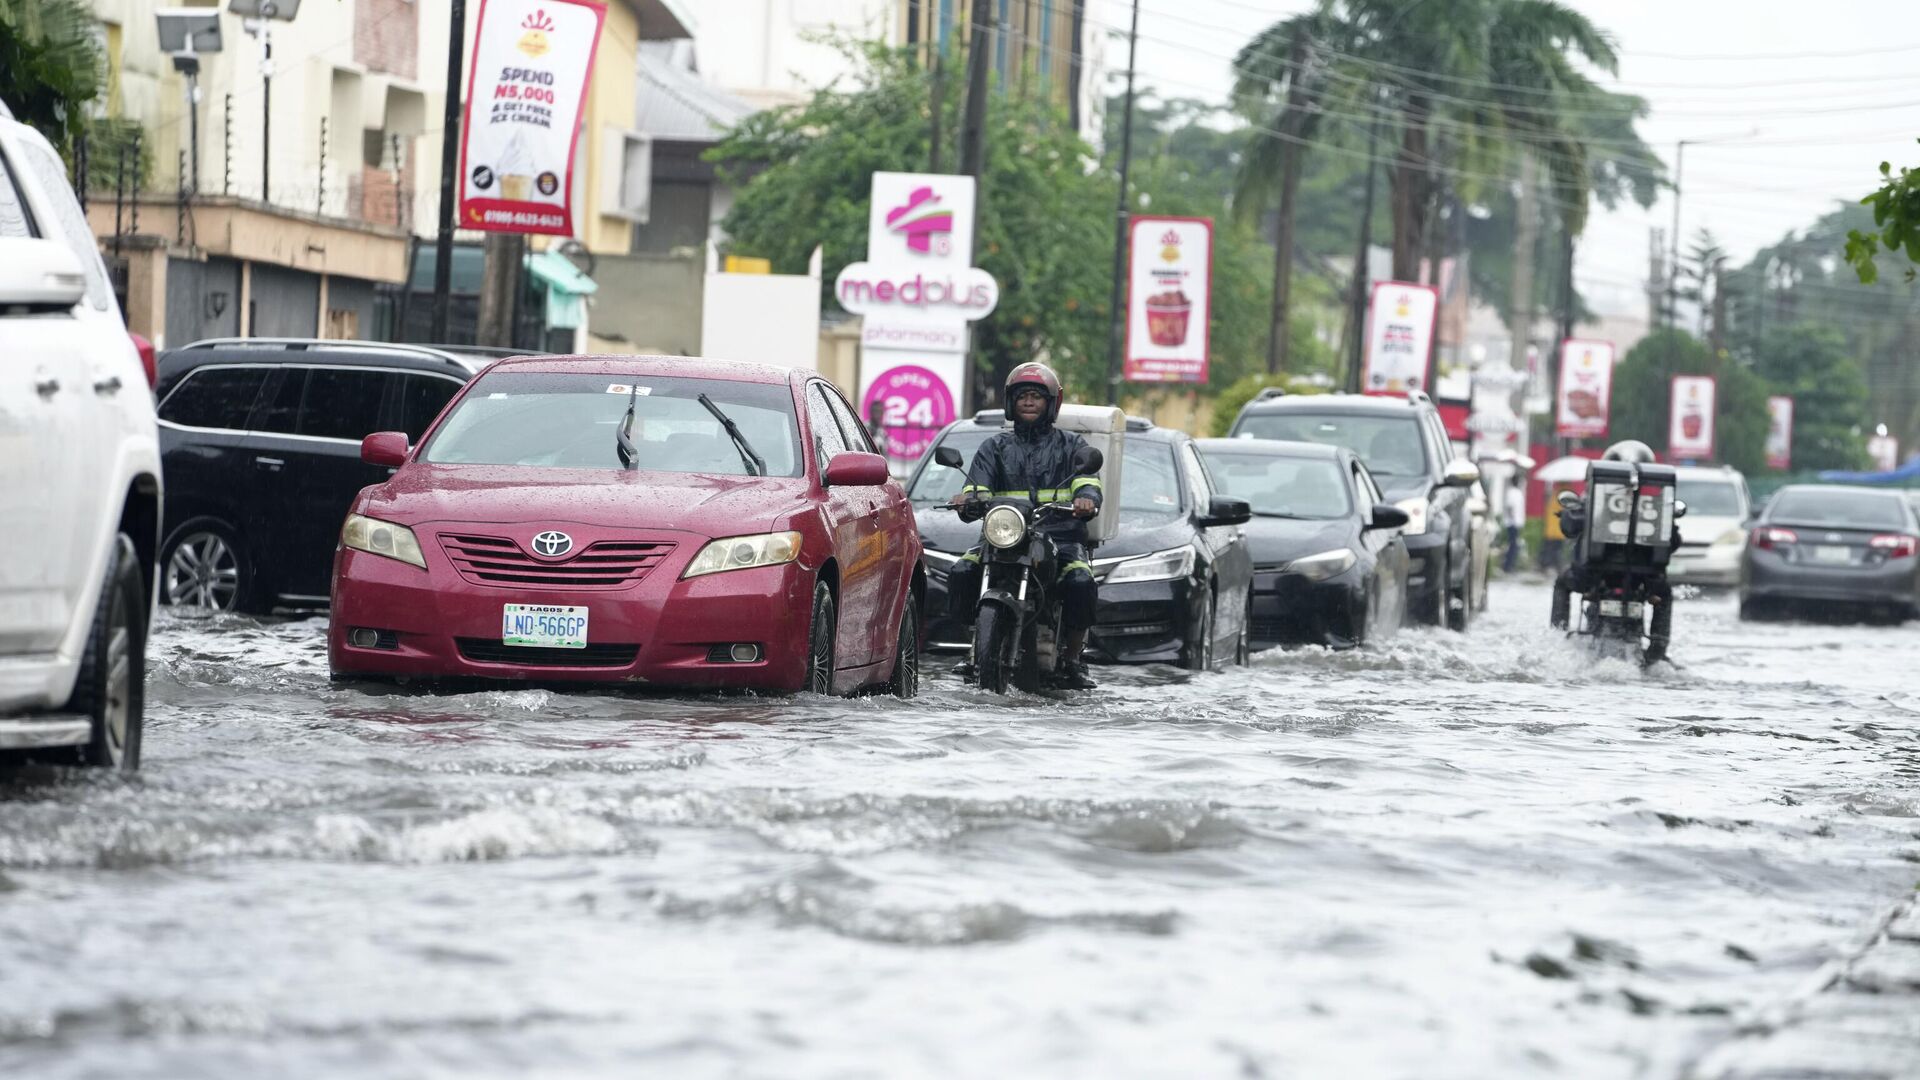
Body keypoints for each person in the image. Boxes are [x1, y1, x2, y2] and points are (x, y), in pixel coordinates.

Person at [945, 363, 1104, 689]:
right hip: (1004, 536)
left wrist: (1086, 500)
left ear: (1051, 403)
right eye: (1022, 397)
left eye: (1036, 397)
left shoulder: (1072, 446)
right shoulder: (994, 448)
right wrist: (967, 499)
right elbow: (978, 489)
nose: (1029, 402)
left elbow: (1089, 484)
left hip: (1061, 537)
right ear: (1010, 403)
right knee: (962, 572)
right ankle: (975, 646)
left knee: (1080, 581)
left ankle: (1074, 658)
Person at [1549, 440, 1676, 663]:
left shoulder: (1595, 499)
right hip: (1644, 580)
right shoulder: (1655, 505)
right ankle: (1658, 651)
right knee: (1663, 593)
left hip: (1592, 576)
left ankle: (1556, 641)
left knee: (1562, 583)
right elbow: (1673, 540)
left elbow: (1570, 527)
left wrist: (1570, 513)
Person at [1502, 473, 1527, 574]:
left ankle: (1510, 565)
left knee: (1514, 545)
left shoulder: (1517, 492)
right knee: (1513, 545)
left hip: (1516, 523)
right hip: (1512, 523)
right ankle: (1507, 566)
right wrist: (1512, 519)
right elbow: (1510, 507)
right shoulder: (1512, 492)